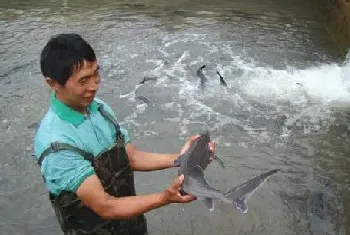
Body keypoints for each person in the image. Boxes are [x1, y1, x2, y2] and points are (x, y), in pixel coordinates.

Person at [33, 33, 215, 235]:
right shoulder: (57, 144)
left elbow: (131, 157)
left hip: (132, 224)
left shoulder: (99, 109)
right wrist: (165, 198)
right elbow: (105, 206)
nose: (94, 86)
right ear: (53, 83)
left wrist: (183, 159)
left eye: (96, 73)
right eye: (83, 80)